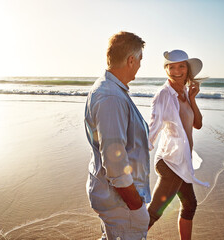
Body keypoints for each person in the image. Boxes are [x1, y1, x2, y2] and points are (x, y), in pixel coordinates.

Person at [84, 31, 151, 240]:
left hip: (116, 200)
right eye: (140, 59)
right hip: (121, 204)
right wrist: (136, 206)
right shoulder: (111, 97)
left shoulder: (110, 90)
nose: (140, 65)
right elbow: (115, 163)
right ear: (131, 60)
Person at [147, 50, 209, 240]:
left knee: (189, 205)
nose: (176, 71)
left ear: (187, 69)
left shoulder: (184, 92)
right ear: (166, 70)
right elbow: (152, 130)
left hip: (183, 161)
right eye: (171, 67)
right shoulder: (163, 95)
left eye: (181, 66)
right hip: (170, 162)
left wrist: (192, 99)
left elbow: (197, 124)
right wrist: (133, 161)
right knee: (154, 213)